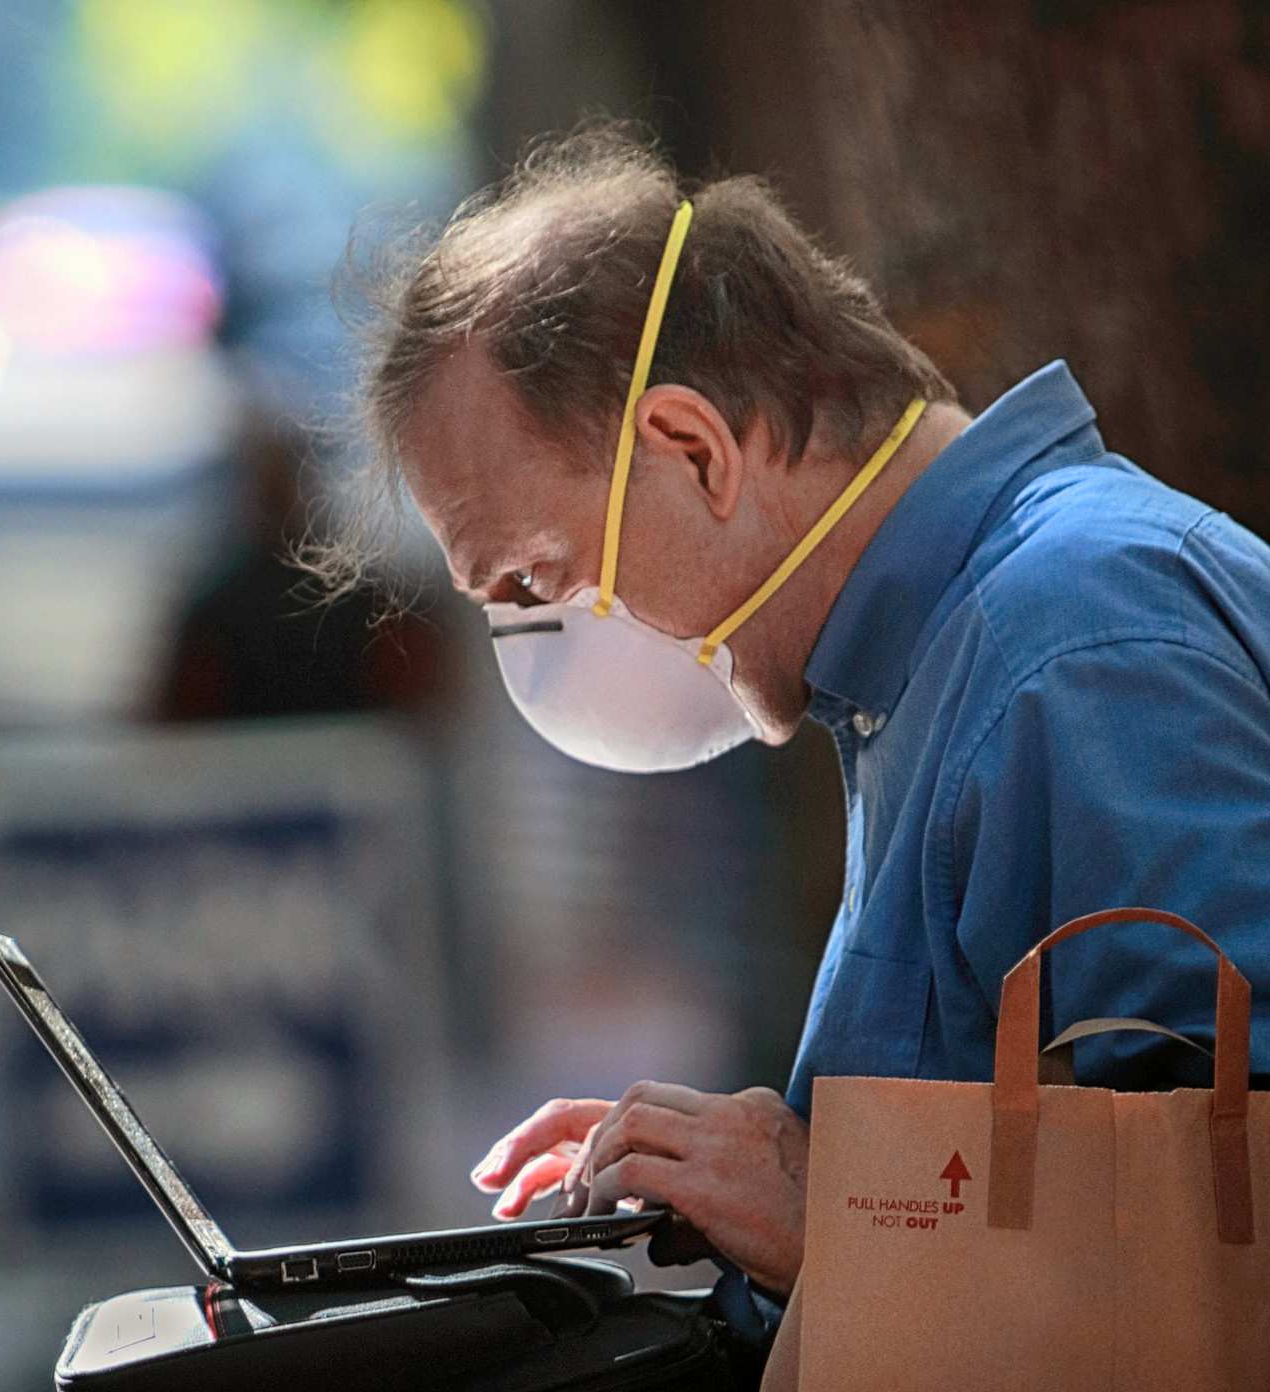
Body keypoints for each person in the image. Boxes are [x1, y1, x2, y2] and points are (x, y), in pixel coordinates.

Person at [306, 124, 1270, 1363]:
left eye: (536, 579)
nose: (537, 648)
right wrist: (756, 1180)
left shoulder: (1076, 646)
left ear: (694, 450)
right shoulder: (931, 667)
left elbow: (1224, 1259)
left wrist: (836, 1216)